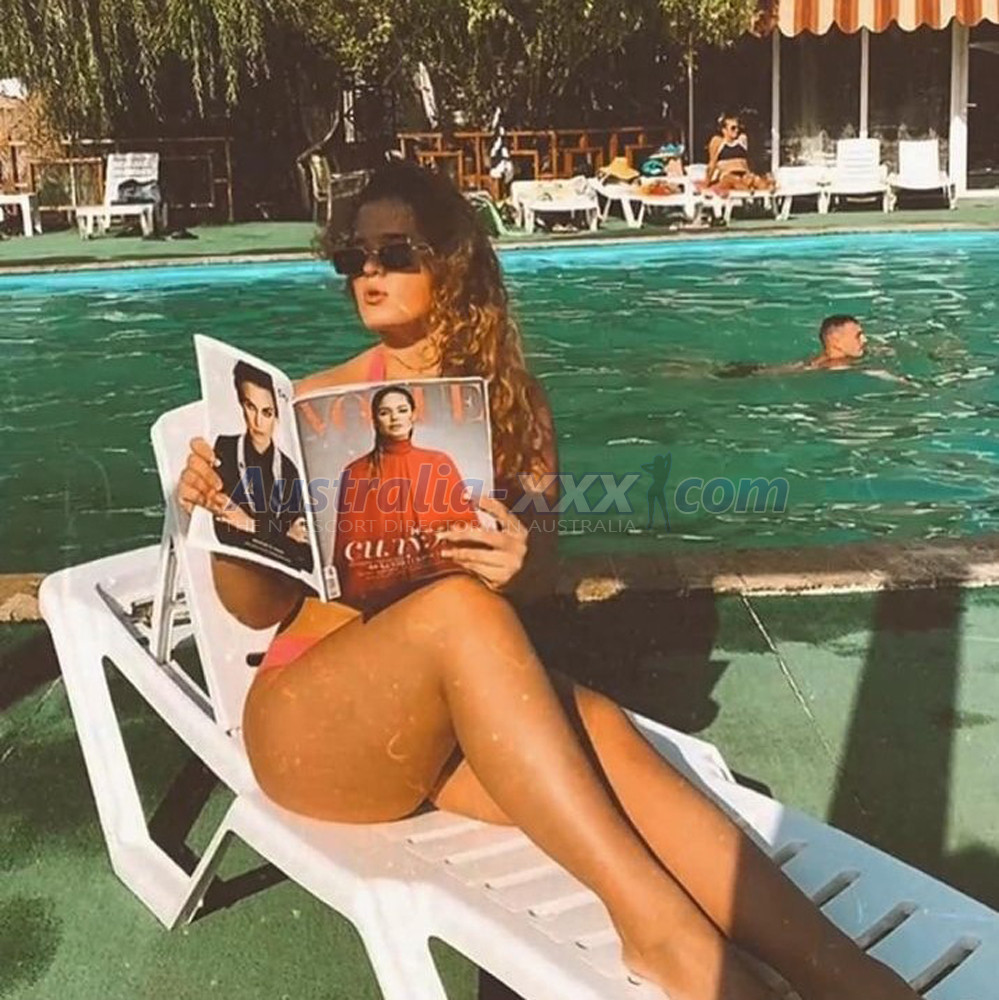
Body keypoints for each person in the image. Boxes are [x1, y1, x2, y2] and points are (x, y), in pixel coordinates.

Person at [179, 161, 918, 1000]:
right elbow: (254, 610)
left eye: (395, 251)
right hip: (313, 725)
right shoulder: (314, 406)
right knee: (457, 608)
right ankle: (663, 937)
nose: (369, 272)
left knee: (603, 735)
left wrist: (523, 565)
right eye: (354, 256)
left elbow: (536, 586)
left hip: (445, 727)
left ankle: (845, 974)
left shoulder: (512, 406)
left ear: (451, 261)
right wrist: (231, 519)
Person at [331, 383, 481, 611]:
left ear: (413, 415)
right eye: (385, 412)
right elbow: (348, 543)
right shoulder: (356, 472)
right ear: (375, 420)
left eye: (402, 410)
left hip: (439, 591)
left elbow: (465, 529)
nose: (395, 418)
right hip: (381, 596)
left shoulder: (438, 462)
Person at [212, 360, 313, 573]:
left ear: (277, 416)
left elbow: (301, 552)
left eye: (267, 412)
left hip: (279, 574)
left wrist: (249, 524)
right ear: (241, 404)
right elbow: (224, 529)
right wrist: (281, 533)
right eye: (251, 407)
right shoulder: (224, 448)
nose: (257, 421)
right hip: (235, 567)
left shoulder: (289, 470)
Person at [706, 115, 774, 193]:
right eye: (733, 128)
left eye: (738, 128)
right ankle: (748, 191)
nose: (737, 130)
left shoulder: (742, 140)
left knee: (756, 180)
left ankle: (768, 191)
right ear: (724, 130)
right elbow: (712, 163)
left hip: (743, 174)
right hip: (727, 176)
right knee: (733, 180)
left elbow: (750, 160)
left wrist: (751, 174)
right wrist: (707, 182)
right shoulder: (718, 142)